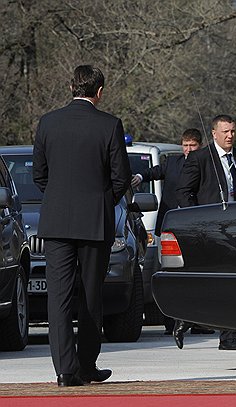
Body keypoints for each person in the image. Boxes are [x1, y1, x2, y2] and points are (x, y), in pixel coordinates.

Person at [33, 65, 131, 386]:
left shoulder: (48, 123)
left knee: (58, 299)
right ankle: (86, 365)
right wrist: (100, 202)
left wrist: (63, 202)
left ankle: (64, 370)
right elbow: (121, 178)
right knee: (91, 296)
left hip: (56, 223)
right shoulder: (109, 125)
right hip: (94, 224)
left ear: (71, 86)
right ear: (99, 92)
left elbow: (40, 175)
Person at [175, 114, 236, 350]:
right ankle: (184, 319)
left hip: (235, 231)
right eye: (225, 132)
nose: (230, 135)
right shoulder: (200, 158)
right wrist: (197, 220)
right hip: (207, 230)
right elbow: (184, 191)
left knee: (232, 282)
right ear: (214, 134)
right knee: (208, 282)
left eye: (233, 131)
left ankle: (229, 338)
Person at [131, 129, 214, 338]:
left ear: (200, 146)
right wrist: (140, 176)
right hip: (169, 229)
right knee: (170, 274)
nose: (188, 150)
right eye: (185, 145)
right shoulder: (173, 163)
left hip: (194, 229)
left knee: (197, 276)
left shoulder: (207, 164)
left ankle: (199, 321)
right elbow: (155, 171)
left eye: (192, 146)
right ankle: (171, 321)